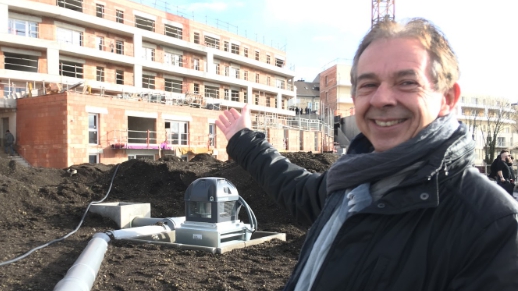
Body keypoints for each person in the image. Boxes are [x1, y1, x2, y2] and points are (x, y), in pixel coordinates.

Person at [216, 18, 518, 290]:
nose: (383, 98)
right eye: (368, 84)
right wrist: (244, 140)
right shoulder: (351, 180)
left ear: (447, 99)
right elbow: (296, 190)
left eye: (407, 82)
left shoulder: (493, 226)